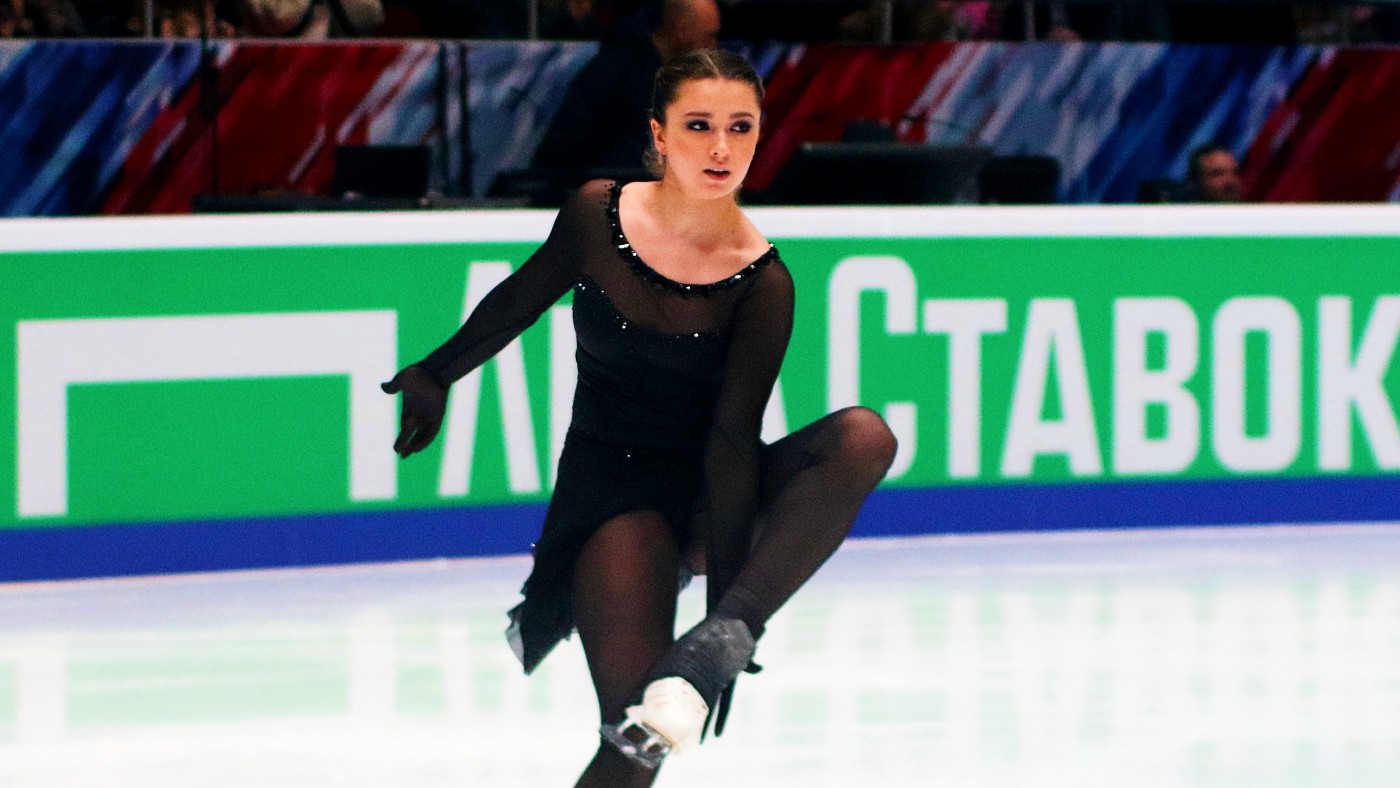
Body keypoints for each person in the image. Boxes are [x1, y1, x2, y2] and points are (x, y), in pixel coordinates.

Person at [382, 49, 896, 787]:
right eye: (699, 125)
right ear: (660, 134)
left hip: (708, 495)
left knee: (864, 436)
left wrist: (717, 634)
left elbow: (731, 441)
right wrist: (436, 373)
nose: (720, 148)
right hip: (613, 497)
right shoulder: (599, 214)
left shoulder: (764, 282)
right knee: (635, 743)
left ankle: (731, 632)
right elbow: (520, 299)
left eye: (740, 127)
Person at [530, 0, 721, 177]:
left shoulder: (688, 81)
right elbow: (564, 144)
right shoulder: (615, 70)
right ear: (682, 30)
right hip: (610, 188)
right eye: (709, 37)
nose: (713, 47)